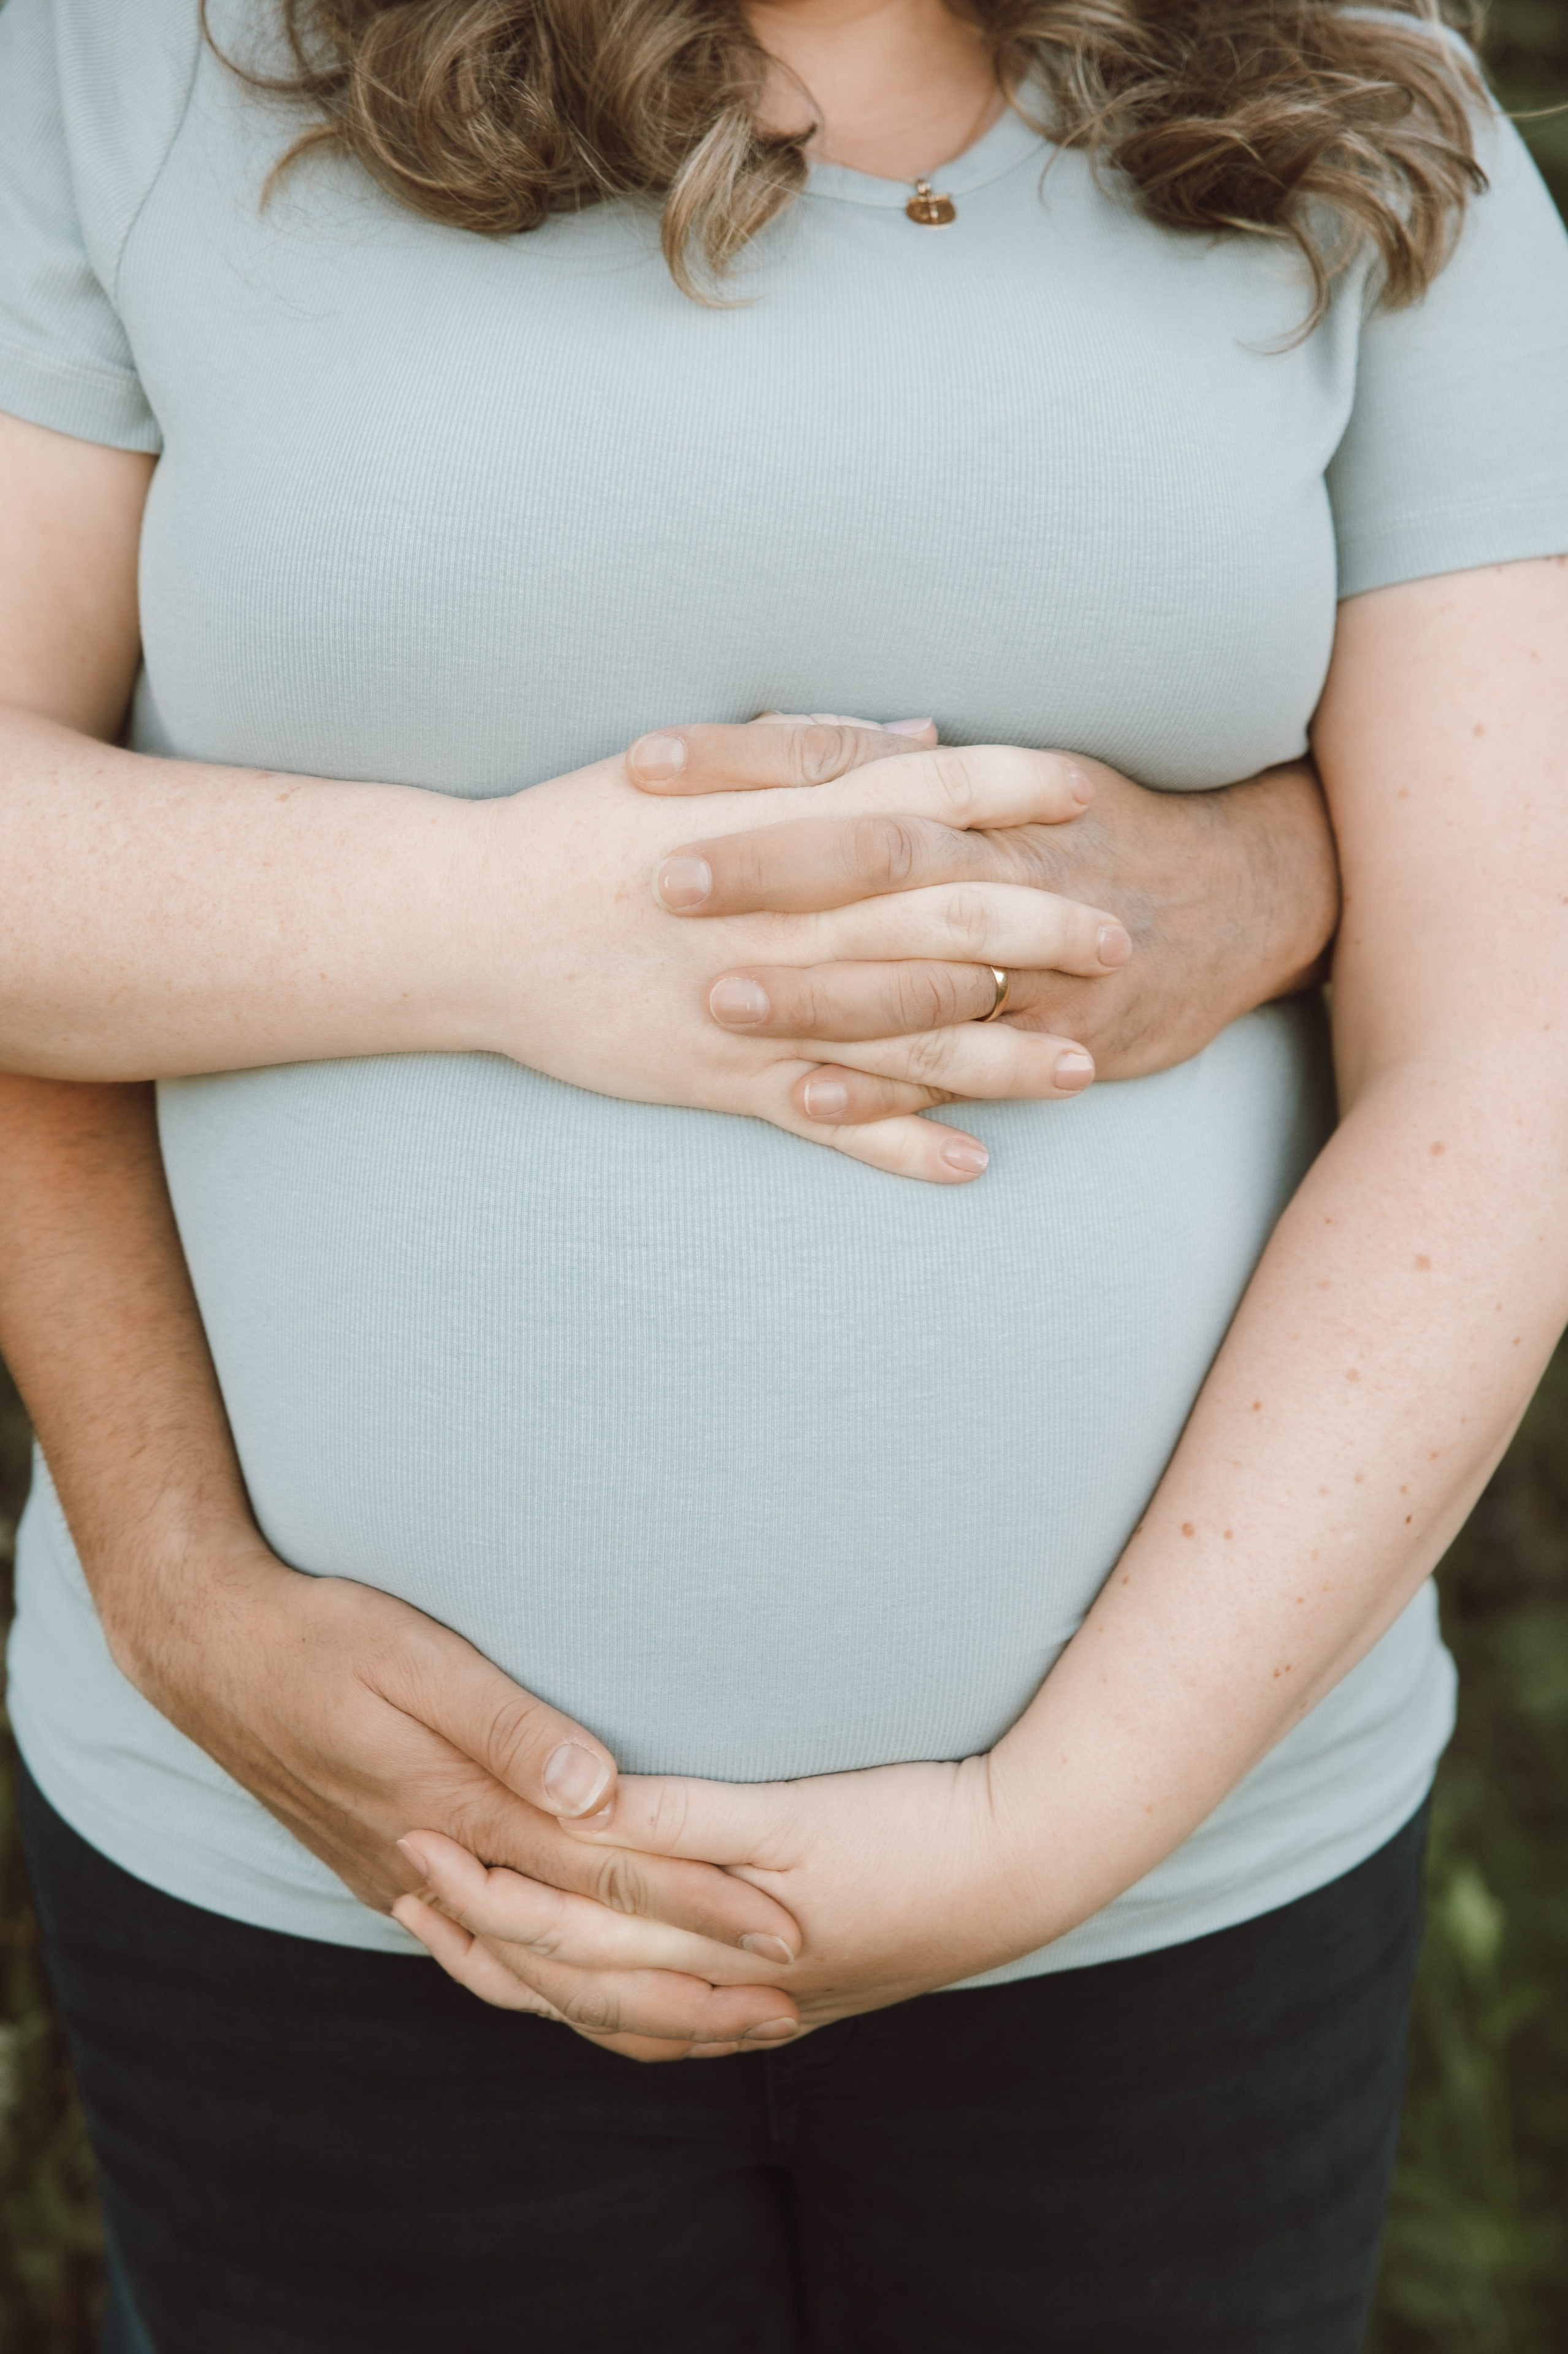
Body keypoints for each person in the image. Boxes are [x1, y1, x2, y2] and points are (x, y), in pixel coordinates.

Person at [0, 0, 1566, 2344]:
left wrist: (1053, 1826)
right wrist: (176, 1571)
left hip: (1174, 1896)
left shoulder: (1364, 98)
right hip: (339, 1873)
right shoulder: (133, 59)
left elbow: (1514, 1049)